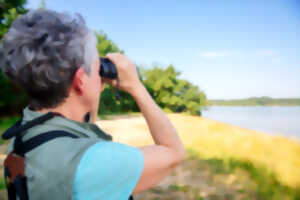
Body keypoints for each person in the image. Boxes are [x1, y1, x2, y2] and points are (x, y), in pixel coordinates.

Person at [0, 9, 185, 200]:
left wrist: (91, 89)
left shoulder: (24, 135)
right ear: (80, 80)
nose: (101, 75)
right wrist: (136, 86)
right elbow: (174, 153)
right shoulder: (95, 164)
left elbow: (80, 132)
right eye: (98, 67)